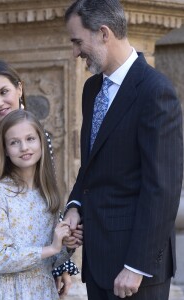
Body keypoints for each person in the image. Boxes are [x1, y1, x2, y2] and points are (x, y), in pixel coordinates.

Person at [63, 0, 183, 299]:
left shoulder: (156, 91)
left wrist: (137, 265)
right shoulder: (91, 89)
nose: (75, 52)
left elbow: (162, 188)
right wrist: (75, 205)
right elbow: (91, 165)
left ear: (104, 33)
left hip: (136, 270)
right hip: (98, 261)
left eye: (78, 41)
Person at [0, 59, 80, 296]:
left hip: (39, 269)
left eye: (4, 92)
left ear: (19, 88)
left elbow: (46, 198)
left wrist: (64, 261)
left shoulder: (41, 139)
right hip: (0, 262)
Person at [0, 109, 75, 300]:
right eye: (14, 142)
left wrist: (68, 244)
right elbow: (0, 259)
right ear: (6, 151)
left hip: (44, 290)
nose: (24, 147)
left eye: (30, 139)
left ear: (41, 142)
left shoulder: (48, 193)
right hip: (10, 291)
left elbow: (50, 260)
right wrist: (52, 248)